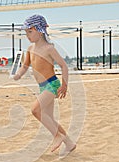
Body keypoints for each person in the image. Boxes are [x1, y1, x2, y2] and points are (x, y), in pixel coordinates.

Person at [13, 14, 76, 154]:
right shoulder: (30, 49)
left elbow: (63, 66)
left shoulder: (49, 48)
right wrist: (17, 75)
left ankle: (57, 136)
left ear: (40, 31)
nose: (27, 35)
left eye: (30, 31)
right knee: (50, 119)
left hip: (52, 84)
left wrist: (64, 85)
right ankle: (69, 143)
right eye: (26, 32)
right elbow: (25, 66)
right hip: (42, 87)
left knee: (35, 110)